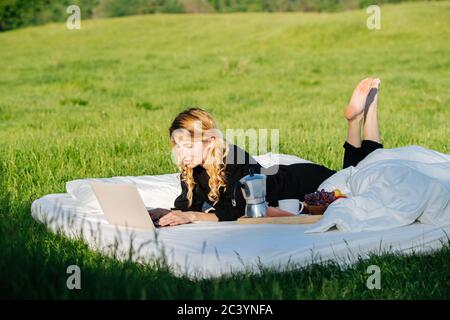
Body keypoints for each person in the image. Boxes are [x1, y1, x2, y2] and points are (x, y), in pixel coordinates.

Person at [159, 78, 383, 227]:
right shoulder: (193, 168)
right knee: (353, 173)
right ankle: (355, 120)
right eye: (177, 147)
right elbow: (187, 207)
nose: (182, 154)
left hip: (304, 182)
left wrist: (189, 217)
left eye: (188, 146)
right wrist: (158, 215)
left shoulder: (235, 160)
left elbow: (235, 213)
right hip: (292, 178)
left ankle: (369, 110)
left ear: (211, 141)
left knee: (358, 176)